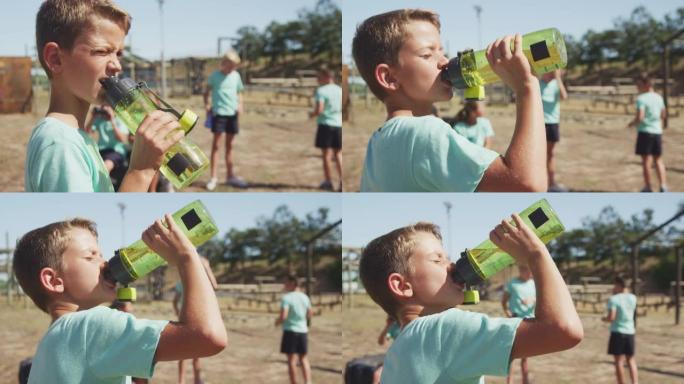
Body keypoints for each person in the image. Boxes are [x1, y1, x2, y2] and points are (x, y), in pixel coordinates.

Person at [359, 216, 583, 383]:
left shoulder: (396, 353)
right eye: (437, 260)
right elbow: (562, 330)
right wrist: (536, 254)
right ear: (402, 286)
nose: (453, 265)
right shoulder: (442, 329)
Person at [12, 215, 227, 383]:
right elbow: (207, 336)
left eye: (102, 255)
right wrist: (187, 258)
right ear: (54, 280)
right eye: (91, 256)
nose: (105, 263)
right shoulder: (90, 325)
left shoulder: (51, 341)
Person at [352, 9, 547, 192]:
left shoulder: (379, 140)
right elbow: (526, 184)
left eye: (441, 51)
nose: (445, 60)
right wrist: (527, 87)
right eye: (427, 54)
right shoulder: (423, 132)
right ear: (389, 78)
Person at [25, 0, 185, 192]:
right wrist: (141, 171)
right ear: (55, 58)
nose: (117, 65)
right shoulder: (60, 143)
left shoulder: (72, 136)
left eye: (118, 54)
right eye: (102, 51)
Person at [203, 50, 247, 190]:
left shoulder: (236, 76)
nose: (233, 68)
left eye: (235, 66)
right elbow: (206, 92)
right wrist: (207, 105)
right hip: (219, 114)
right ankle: (213, 178)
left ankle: (230, 176)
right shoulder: (214, 76)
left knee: (230, 147)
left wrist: (240, 105)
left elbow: (240, 92)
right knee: (216, 146)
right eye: (231, 65)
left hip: (232, 115)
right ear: (225, 63)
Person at [173, 256, 219, 384]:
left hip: (198, 321)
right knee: (184, 354)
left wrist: (207, 267)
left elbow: (215, 286)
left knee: (196, 354)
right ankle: (181, 381)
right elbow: (175, 301)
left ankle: (196, 380)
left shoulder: (200, 283)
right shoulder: (183, 283)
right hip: (186, 321)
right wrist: (179, 313)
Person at [627, 72, 667, 192]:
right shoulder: (659, 97)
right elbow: (663, 115)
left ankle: (648, 187)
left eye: (638, 84)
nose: (637, 87)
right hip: (657, 132)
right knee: (658, 160)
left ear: (646, 84)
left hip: (645, 132)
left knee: (646, 161)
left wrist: (632, 124)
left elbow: (640, 117)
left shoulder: (641, 99)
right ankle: (663, 186)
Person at [275, 275, 313, 384]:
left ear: (292, 283)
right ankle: (308, 382)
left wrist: (277, 322)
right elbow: (310, 313)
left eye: (286, 283)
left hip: (290, 331)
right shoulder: (305, 297)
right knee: (304, 359)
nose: (284, 285)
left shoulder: (287, 298)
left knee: (292, 360)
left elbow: (283, 316)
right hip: (303, 331)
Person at [309, 67, 343, 192]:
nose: (318, 80)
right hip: (338, 125)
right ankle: (341, 182)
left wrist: (311, 115)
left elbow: (319, 110)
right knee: (338, 154)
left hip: (326, 125)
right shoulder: (340, 90)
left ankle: (328, 181)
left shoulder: (321, 91)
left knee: (326, 155)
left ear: (327, 77)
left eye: (319, 77)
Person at [502, 264, 536, 384]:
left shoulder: (534, 283)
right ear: (522, 270)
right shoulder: (512, 284)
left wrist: (532, 301)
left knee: (525, 356)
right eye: (528, 271)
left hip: (530, 323)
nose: (530, 273)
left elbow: (539, 300)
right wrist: (508, 314)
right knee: (511, 355)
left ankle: (525, 381)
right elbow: (504, 302)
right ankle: (509, 381)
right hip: (515, 322)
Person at [602, 276, 638, 384]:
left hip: (618, 332)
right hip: (630, 332)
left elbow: (611, 317)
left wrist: (604, 319)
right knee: (631, 360)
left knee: (619, 362)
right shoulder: (633, 298)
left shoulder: (614, 299)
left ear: (618, 285)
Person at [84, 104, 129, 190]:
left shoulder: (119, 120)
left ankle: (99, 190)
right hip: (102, 150)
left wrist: (112, 120)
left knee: (106, 166)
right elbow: (86, 132)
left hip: (116, 151)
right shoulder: (100, 120)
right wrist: (93, 117)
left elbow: (123, 139)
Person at [539, 69, 568, 192]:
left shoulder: (556, 84)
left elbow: (564, 96)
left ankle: (551, 182)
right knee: (539, 155)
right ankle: (540, 182)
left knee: (549, 155)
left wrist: (558, 79)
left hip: (552, 123)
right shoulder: (537, 83)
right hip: (539, 124)